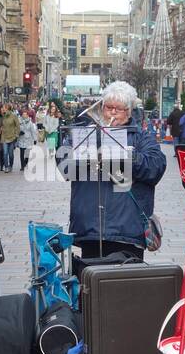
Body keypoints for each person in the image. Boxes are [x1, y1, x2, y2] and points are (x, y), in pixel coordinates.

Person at [57, 80, 167, 260]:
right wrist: (89, 152)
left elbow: (156, 167)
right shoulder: (86, 134)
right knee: (91, 282)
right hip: (90, 229)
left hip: (127, 231)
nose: (113, 112)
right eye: (109, 107)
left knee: (126, 285)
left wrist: (126, 156)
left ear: (129, 111)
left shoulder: (141, 138)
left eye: (119, 108)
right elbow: (64, 166)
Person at [1, 102, 21, 171]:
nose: (2, 109)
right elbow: (1, 125)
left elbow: (18, 126)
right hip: (4, 137)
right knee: (5, 153)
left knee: (11, 154)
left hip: (12, 137)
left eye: (3, 108)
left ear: (7, 108)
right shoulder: (3, 116)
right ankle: (6, 167)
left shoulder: (14, 116)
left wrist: (16, 135)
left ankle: (11, 165)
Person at [17, 108, 38, 173]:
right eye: (23, 114)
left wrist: (35, 139)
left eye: (25, 114)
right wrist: (19, 132)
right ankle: (22, 166)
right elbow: (16, 129)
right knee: (21, 153)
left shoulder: (30, 122)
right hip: (21, 139)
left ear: (27, 115)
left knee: (27, 153)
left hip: (28, 139)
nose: (24, 116)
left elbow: (33, 131)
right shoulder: (19, 121)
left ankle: (26, 162)